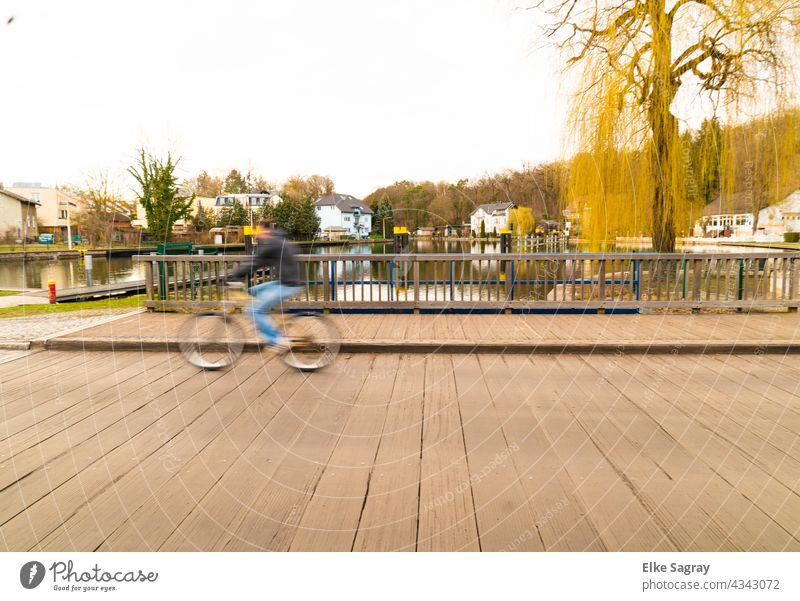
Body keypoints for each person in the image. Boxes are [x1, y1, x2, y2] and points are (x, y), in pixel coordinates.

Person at [227, 220, 302, 351]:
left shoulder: (273, 243)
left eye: (259, 230)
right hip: (285, 281)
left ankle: (277, 340)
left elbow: (255, 262)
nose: (257, 233)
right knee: (252, 291)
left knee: (253, 310)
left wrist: (234, 276)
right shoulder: (278, 240)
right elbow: (259, 262)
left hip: (288, 285)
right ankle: (266, 318)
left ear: (265, 230)